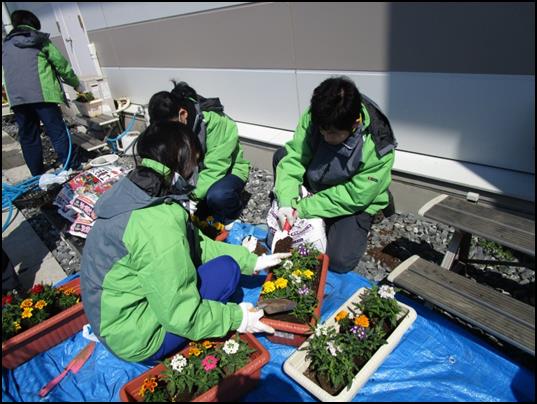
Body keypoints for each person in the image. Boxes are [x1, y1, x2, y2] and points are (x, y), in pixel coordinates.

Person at [80, 121, 289, 363]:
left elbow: (197, 244)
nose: (198, 168)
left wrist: (253, 261)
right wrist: (236, 318)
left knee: (224, 264)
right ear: (183, 160)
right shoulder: (155, 222)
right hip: (138, 339)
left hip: (113, 320)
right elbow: (179, 311)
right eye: (196, 160)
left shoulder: (136, 194)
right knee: (225, 272)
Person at [272, 76, 396, 273]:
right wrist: (287, 201)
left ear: (355, 123)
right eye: (322, 130)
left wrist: (302, 208)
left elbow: (355, 195)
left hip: (354, 196)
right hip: (318, 180)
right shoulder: (317, 116)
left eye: (333, 133)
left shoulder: (379, 143)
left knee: (338, 261)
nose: (325, 136)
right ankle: (310, 205)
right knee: (281, 157)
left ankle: (379, 199)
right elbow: (295, 157)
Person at [147, 82, 250, 228]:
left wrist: (189, 198)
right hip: (198, 172)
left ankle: (232, 212)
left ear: (183, 114)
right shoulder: (172, 124)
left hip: (228, 170)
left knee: (218, 197)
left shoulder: (214, 122)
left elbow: (216, 167)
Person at [2, 10, 82, 176]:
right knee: (57, 132)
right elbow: (61, 65)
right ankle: (71, 166)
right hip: (43, 95)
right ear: (33, 23)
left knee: (28, 136)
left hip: (18, 98)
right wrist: (76, 84)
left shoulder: (6, 45)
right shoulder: (40, 40)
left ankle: (37, 173)